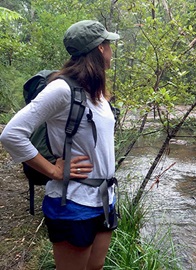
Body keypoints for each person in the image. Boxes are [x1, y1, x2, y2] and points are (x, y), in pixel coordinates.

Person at [0, 20, 119, 270]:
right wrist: (53, 170)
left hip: (104, 197)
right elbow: (12, 134)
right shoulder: (62, 89)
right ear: (100, 49)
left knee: (95, 266)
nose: (111, 50)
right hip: (73, 201)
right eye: (109, 44)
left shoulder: (96, 94)